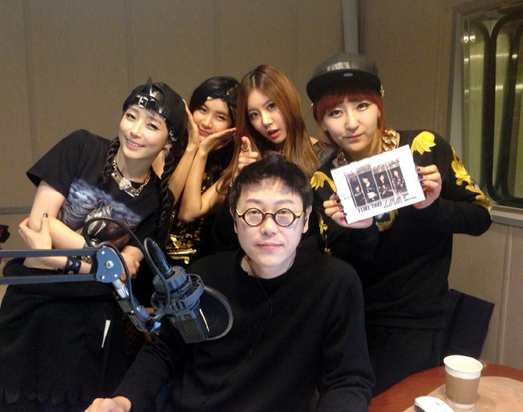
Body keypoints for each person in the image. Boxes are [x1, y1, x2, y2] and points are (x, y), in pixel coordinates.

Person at [84, 152, 374, 412]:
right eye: (254, 213)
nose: (269, 227)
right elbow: (165, 351)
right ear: (235, 220)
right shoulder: (204, 276)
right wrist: (122, 400)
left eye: (284, 213)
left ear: (306, 219)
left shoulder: (333, 283)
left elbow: (347, 380)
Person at [0, 79, 187, 411]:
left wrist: (58, 254)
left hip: (90, 321)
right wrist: (103, 257)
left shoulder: (157, 200)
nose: (135, 130)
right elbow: (38, 225)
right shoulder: (81, 147)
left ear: (169, 141)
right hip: (32, 305)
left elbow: (124, 271)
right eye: (131, 116)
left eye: (152, 125)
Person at [305, 52, 492, 396]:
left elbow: (481, 217)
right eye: (335, 112)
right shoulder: (324, 181)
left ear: (379, 107)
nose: (351, 123)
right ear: (323, 123)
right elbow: (341, 268)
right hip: (354, 320)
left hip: (417, 320)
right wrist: (359, 231)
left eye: (361, 106)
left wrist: (432, 207)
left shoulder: (424, 148)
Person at [211, 65, 331, 252]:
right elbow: (222, 240)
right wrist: (239, 181)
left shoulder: (325, 157)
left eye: (271, 106)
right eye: (254, 115)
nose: (265, 121)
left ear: (288, 100)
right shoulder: (249, 160)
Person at [166, 76, 239, 265]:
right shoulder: (166, 149)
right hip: (152, 265)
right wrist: (191, 147)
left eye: (220, 117)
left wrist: (202, 151)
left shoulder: (231, 169)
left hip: (199, 269)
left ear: (233, 126)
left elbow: (188, 212)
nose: (206, 122)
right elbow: (164, 205)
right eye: (203, 110)